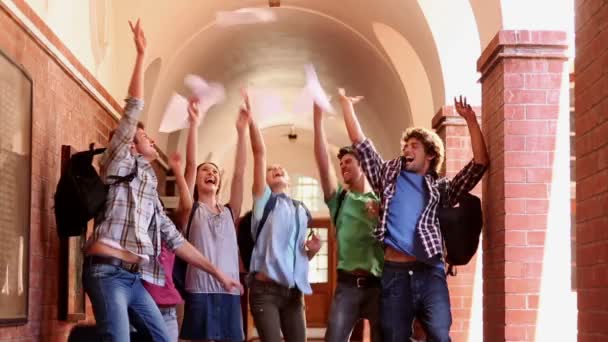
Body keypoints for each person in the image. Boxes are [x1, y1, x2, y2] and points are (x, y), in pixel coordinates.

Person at [82, 19, 241, 341]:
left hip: (134, 279)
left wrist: (219, 273)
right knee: (118, 338)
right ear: (130, 145)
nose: (151, 139)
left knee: (164, 338)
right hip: (107, 273)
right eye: (144, 137)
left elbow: (176, 240)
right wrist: (141, 55)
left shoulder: (149, 187)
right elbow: (132, 111)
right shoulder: (117, 164)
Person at [339, 88, 489, 342]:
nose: (407, 149)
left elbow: (478, 165)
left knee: (441, 335)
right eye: (406, 146)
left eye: (414, 146)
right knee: (394, 336)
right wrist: (346, 106)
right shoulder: (387, 177)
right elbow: (361, 145)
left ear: (429, 155)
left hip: (430, 272)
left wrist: (471, 121)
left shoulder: (440, 189)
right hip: (395, 273)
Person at [245, 91, 322, 342]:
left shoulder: (301, 210)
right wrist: (252, 120)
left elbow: (297, 255)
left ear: (288, 180)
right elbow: (259, 153)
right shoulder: (263, 202)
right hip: (264, 290)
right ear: (265, 182)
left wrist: (311, 250)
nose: (277, 170)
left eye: (281, 169)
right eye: (272, 171)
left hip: (293, 293)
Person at [312, 102, 383, 342]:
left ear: (362, 164)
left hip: (379, 286)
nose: (342, 166)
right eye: (341, 164)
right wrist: (317, 119)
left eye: (348, 162)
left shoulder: (382, 199)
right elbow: (323, 163)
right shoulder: (339, 199)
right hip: (347, 287)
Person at [178, 99, 248, 341]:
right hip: (200, 291)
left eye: (215, 171)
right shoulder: (190, 208)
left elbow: (239, 173)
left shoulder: (231, 211)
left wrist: (241, 133)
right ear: (196, 180)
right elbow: (188, 165)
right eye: (205, 170)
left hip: (229, 292)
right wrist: (194, 124)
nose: (211, 173)